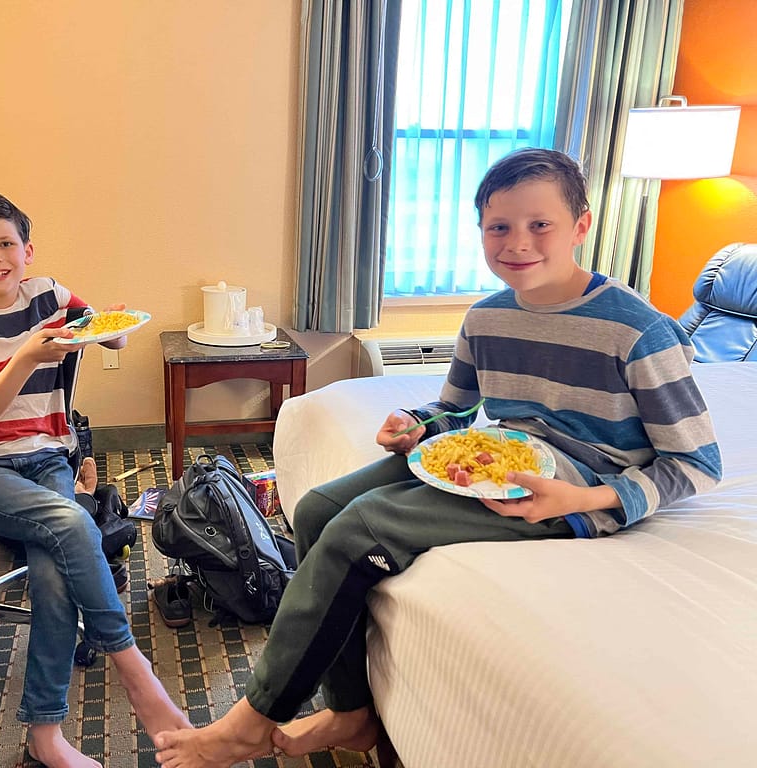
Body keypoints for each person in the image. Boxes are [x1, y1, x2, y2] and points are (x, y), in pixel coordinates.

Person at [153, 148, 723, 767]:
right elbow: (454, 410)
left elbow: (696, 463)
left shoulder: (638, 330)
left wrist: (587, 499)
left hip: (570, 488)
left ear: (580, 226)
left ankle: (252, 720)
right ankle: (350, 711)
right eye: (498, 227)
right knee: (316, 509)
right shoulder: (488, 317)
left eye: (540, 225)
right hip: (494, 457)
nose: (518, 243)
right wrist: (414, 425)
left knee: (361, 528)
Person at [0, 192, 190, 768]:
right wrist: (25, 355)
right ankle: (136, 672)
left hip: (47, 458)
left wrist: (111, 333)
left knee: (52, 574)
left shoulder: (49, 295)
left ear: (27, 251)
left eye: (6, 244)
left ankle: (44, 737)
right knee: (72, 522)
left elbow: (106, 333)